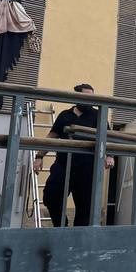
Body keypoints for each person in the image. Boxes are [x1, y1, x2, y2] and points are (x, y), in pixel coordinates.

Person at [33, 83, 114, 226]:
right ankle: (61, 227)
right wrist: (39, 156)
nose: (90, 100)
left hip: (87, 169)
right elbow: (52, 136)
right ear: (77, 96)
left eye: (92, 97)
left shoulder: (98, 115)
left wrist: (110, 156)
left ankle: (76, 240)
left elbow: (109, 139)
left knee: (85, 210)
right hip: (63, 166)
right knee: (51, 197)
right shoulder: (65, 115)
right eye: (86, 96)